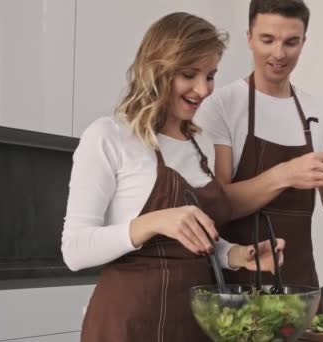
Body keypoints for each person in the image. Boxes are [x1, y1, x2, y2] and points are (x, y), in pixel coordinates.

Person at [61, 12, 285, 341]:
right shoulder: (109, 136)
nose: (203, 89)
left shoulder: (201, 143)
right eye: (189, 74)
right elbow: (75, 250)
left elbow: (198, 239)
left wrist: (235, 255)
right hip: (128, 323)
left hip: (196, 322)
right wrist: (153, 222)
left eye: (210, 75)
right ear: (157, 69)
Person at [195, 0, 323, 289]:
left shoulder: (318, 110)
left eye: (291, 42)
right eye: (267, 40)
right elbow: (219, 204)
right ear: (249, 38)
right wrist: (287, 174)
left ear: (303, 43)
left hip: (300, 280)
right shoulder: (221, 105)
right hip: (238, 283)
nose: (279, 53)